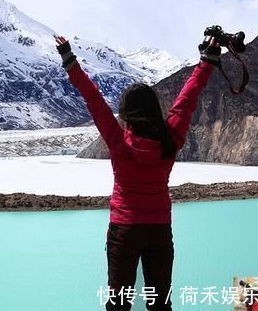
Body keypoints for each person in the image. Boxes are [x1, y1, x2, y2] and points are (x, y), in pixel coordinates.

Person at [54, 34, 221, 311]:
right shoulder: (170, 139)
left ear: (126, 114)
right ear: (155, 110)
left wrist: (70, 60)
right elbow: (187, 99)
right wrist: (206, 63)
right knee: (159, 304)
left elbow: (94, 100)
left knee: (119, 305)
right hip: (159, 229)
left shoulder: (119, 143)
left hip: (124, 231)